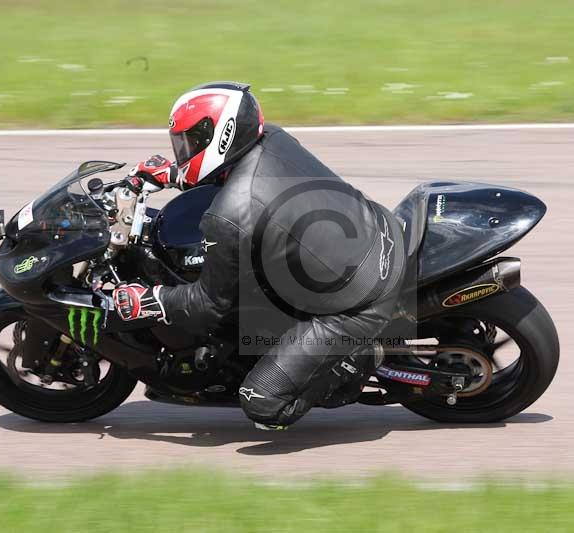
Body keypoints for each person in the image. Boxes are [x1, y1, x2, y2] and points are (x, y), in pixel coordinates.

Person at [113, 81, 405, 429]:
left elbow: (206, 307)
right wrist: (176, 175)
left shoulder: (230, 215)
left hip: (360, 301)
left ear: (222, 136)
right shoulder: (273, 138)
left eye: (191, 141)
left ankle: (357, 360)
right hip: (374, 229)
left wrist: (150, 301)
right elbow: (232, 176)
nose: (184, 149)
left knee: (262, 403)